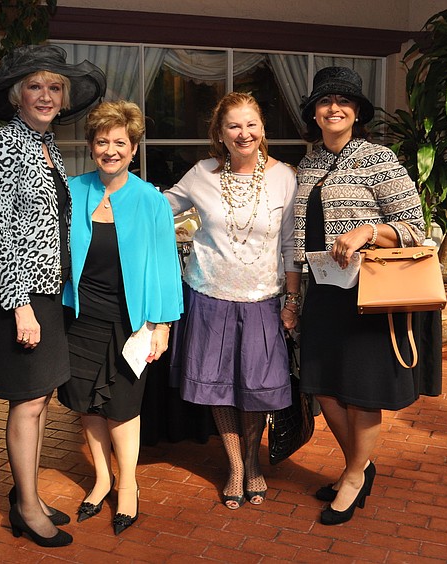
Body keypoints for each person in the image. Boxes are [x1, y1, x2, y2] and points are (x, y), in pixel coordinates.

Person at [293, 66, 442, 526]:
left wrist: (369, 230)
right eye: (325, 102)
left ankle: (354, 477)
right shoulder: (310, 163)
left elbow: (420, 230)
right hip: (321, 291)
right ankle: (361, 464)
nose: (333, 108)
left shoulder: (379, 159)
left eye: (343, 102)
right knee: (323, 388)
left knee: (361, 391)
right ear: (315, 114)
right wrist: (293, 294)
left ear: (356, 112)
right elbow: (298, 233)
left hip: (367, 295)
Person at [0, 44, 105, 548]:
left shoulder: (44, 145)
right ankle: (27, 508)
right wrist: (21, 304)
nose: (46, 95)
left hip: (46, 289)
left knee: (40, 398)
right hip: (20, 297)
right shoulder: (4, 143)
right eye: (35, 86)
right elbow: (0, 228)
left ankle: (23, 492)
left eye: (55, 87)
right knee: (28, 403)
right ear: (16, 95)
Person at [163, 92, 301, 510]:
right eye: (233, 126)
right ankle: (236, 468)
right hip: (209, 297)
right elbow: (159, 209)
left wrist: (292, 299)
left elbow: (291, 241)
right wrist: (108, 194)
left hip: (263, 299)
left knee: (256, 389)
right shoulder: (200, 174)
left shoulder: (285, 177)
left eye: (251, 125)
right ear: (220, 134)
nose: (244, 134)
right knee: (220, 389)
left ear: (263, 129)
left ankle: (253, 461)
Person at [57, 100, 183, 535]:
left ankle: (127, 485)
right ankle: (101, 478)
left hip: (131, 320)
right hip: (79, 315)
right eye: (102, 141)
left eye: (119, 143)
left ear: (133, 148)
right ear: (91, 146)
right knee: (87, 403)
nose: (110, 150)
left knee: (123, 406)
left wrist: (162, 325)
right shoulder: (73, 191)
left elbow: (167, 265)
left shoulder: (151, 200)